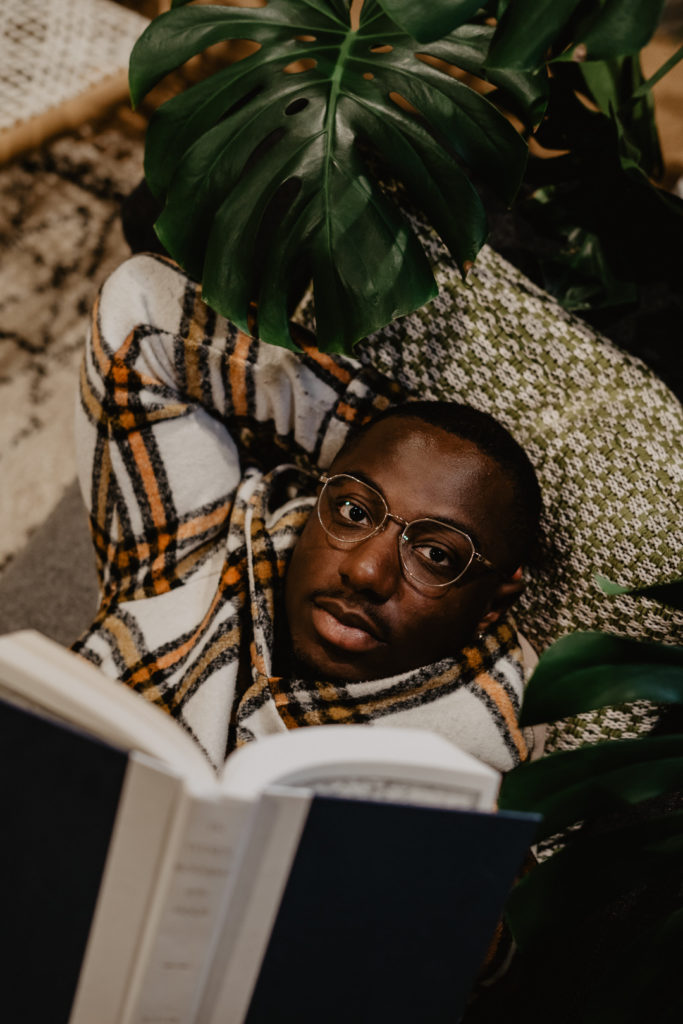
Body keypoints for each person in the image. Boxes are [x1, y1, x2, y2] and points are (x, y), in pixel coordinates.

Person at [74, 252, 542, 773]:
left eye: (435, 554)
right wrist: (385, 439)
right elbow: (140, 309)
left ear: (493, 605)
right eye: (353, 510)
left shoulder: (487, 765)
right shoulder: (201, 553)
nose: (366, 571)